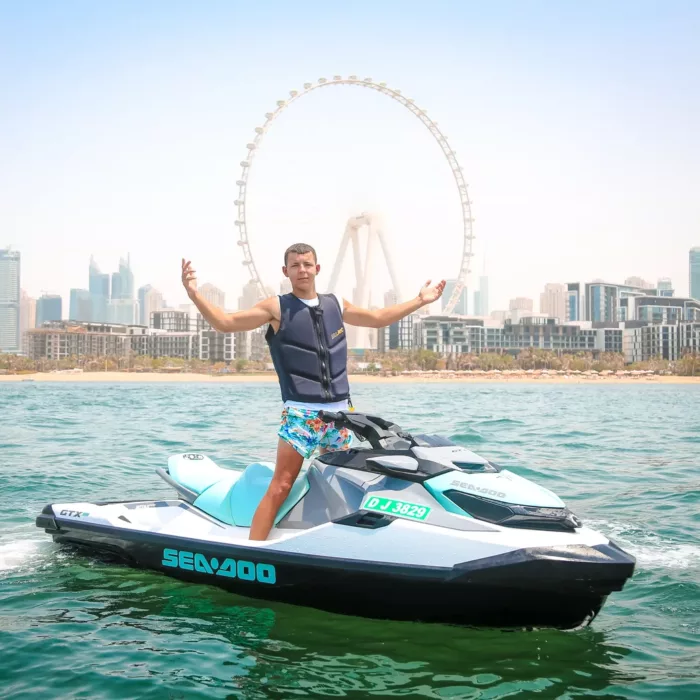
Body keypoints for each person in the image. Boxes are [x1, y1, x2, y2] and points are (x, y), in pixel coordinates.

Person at [181, 243, 445, 540]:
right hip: (302, 415)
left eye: (307, 264)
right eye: (295, 265)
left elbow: (379, 318)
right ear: (286, 271)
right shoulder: (276, 307)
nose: (302, 270)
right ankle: (254, 549)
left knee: (343, 482)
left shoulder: (336, 304)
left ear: (317, 268)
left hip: (342, 416)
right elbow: (225, 323)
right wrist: (194, 293)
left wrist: (420, 300)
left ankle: (334, 542)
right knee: (281, 484)